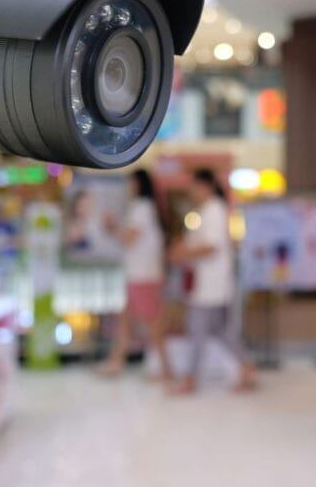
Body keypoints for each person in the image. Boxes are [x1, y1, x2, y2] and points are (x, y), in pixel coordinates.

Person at [167, 169, 257, 394]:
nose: (191, 191)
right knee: (220, 332)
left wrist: (184, 252)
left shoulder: (214, 210)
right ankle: (247, 368)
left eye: (194, 186)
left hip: (211, 287)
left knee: (198, 331)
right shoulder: (207, 211)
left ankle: (190, 379)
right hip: (209, 286)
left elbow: (211, 247)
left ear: (205, 186)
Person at [101, 169, 173, 380]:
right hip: (139, 274)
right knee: (125, 321)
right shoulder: (145, 208)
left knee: (152, 323)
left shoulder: (142, 208)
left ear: (138, 184)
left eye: (130, 183)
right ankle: (116, 363)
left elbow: (130, 238)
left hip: (143, 276)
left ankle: (166, 369)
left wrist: (112, 228)